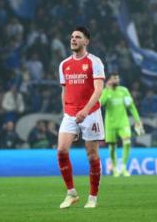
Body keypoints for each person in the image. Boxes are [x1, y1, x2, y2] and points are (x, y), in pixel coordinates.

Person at [57, 27, 105, 209]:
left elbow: (99, 89)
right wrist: (65, 113)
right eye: (72, 37)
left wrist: (85, 110)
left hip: (91, 113)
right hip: (70, 114)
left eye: (78, 37)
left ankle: (92, 197)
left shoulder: (94, 62)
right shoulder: (64, 64)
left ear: (86, 41)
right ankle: (71, 193)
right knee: (61, 150)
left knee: (92, 155)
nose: (73, 39)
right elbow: (64, 90)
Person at [100, 73, 144, 177]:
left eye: (117, 78)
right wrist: (108, 90)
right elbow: (101, 103)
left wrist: (137, 120)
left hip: (123, 122)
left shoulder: (124, 91)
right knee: (112, 147)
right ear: (109, 80)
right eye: (114, 78)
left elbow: (131, 106)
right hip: (110, 123)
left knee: (127, 141)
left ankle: (123, 167)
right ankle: (115, 168)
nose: (116, 80)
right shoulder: (105, 92)